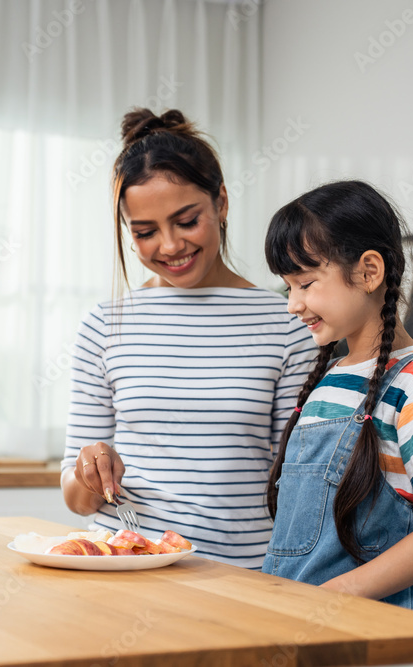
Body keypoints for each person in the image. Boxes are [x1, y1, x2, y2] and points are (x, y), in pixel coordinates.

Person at [60, 108, 316, 569]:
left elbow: (295, 488)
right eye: (145, 232)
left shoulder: (288, 321)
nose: (171, 245)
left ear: (220, 202)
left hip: (240, 578)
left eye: (186, 220)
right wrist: (89, 465)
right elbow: (77, 502)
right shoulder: (104, 324)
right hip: (121, 568)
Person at [261, 180, 413, 616]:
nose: (292, 305)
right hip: (303, 626)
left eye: (306, 283)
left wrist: (336, 597)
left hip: (373, 636)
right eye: (289, 288)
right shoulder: (331, 379)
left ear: (369, 272)